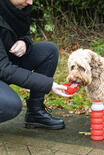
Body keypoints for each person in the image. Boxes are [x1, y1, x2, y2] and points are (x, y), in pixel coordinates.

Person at [0, 0, 72, 129]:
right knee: (9, 105)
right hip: (3, 67)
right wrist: (49, 85)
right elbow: (4, 69)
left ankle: (35, 113)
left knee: (49, 50)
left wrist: (24, 42)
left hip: (5, 64)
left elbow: (24, 34)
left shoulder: (18, 9)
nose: (30, 2)